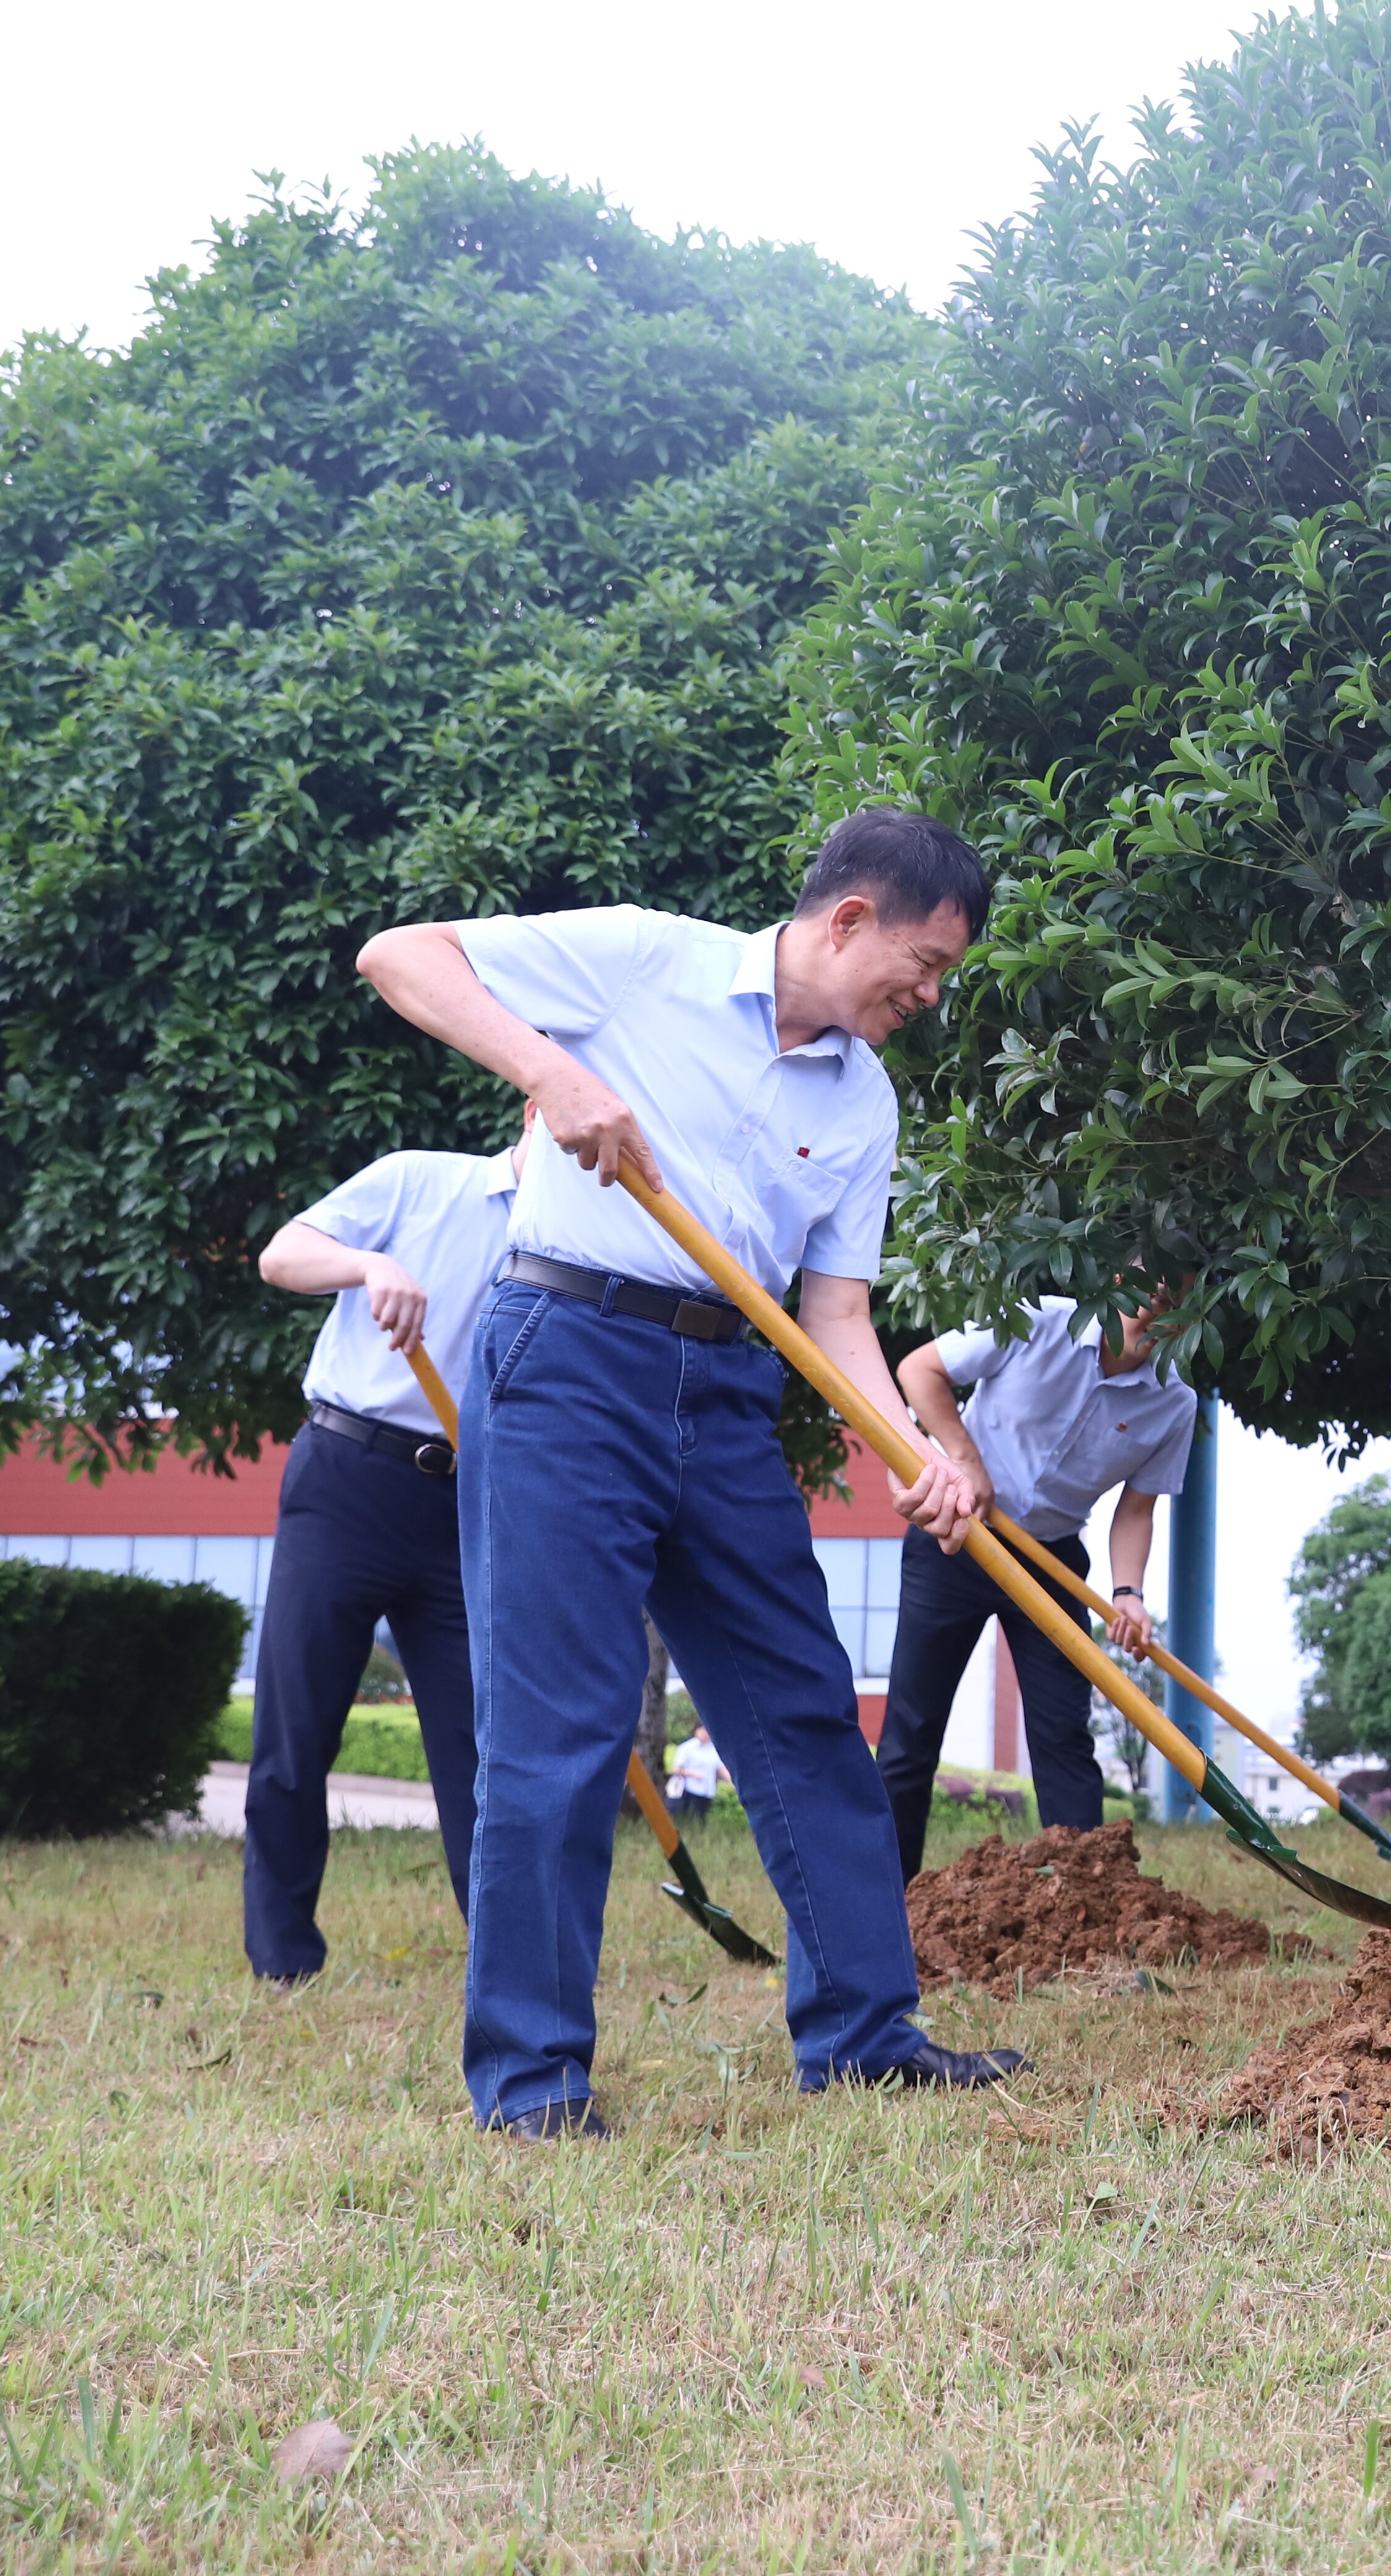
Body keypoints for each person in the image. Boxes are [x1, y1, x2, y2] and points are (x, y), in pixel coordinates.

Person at [355, 807, 1021, 2137]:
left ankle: (865, 2033)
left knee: (807, 1705)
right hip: (568, 1355)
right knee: (564, 1730)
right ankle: (534, 2082)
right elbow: (400, 954)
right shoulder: (642, 959)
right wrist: (552, 1072)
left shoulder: (865, 1101)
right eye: (928, 964)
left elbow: (836, 1319)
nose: (931, 998)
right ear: (850, 920)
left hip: (729, 1391)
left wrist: (921, 1452)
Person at [241, 1138, 521, 1984]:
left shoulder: (584, 1237)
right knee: (296, 1727)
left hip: (471, 1498)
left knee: (484, 1743)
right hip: (348, 1475)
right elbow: (282, 1254)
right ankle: (282, 1958)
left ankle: (505, 1962)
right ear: (541, 1103)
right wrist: (367, 1267)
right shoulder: (421, 1180)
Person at [877, 1289, 1197, 1875]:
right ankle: (887, 1900)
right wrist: (964, 1459)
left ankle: (1086, 1898)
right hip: (958, 1537)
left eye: (1175, 1313)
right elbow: (918, 1369)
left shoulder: (1174, 1403)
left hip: (1050, 1566)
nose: (1155, 1324)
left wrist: (1128, 1593)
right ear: (1115, 1287)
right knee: (911, 1731)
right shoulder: (1034, 1317)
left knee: (1065, 1739)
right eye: (1148, 1305)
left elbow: (1135, 1511)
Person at [664, 1724, 727, 1829]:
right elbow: (677, 1769)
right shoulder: (687, 1747)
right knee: (687, 1817)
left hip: (707, 1790)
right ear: (697, 1731)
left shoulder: (714, 1749)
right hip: (690, 1789)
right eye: (703, 1730)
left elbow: (721, 1768)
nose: (706, 1733)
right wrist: (693, 1774)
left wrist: (733, 1781)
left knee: (700, 1819)